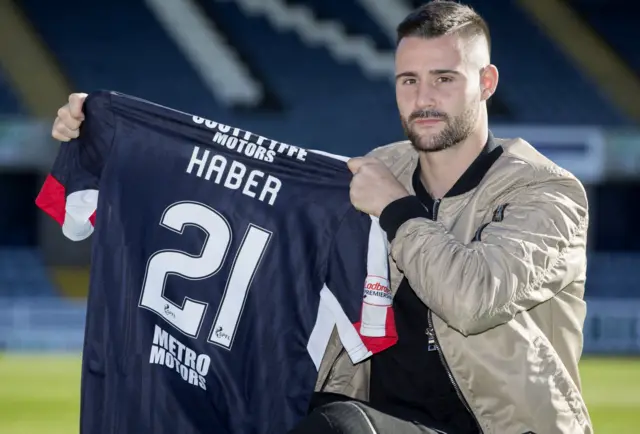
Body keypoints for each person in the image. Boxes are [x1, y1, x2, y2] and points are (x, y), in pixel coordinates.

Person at [51, 1, 593, 433]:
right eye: (408, 80)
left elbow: (475, 298)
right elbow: (259, 188)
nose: (423, 98)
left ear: (487, 82)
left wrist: (397, 210)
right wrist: (110, 136)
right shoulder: (377, 169)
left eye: (444, 79)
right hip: (378, 417)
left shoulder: (547, 193)